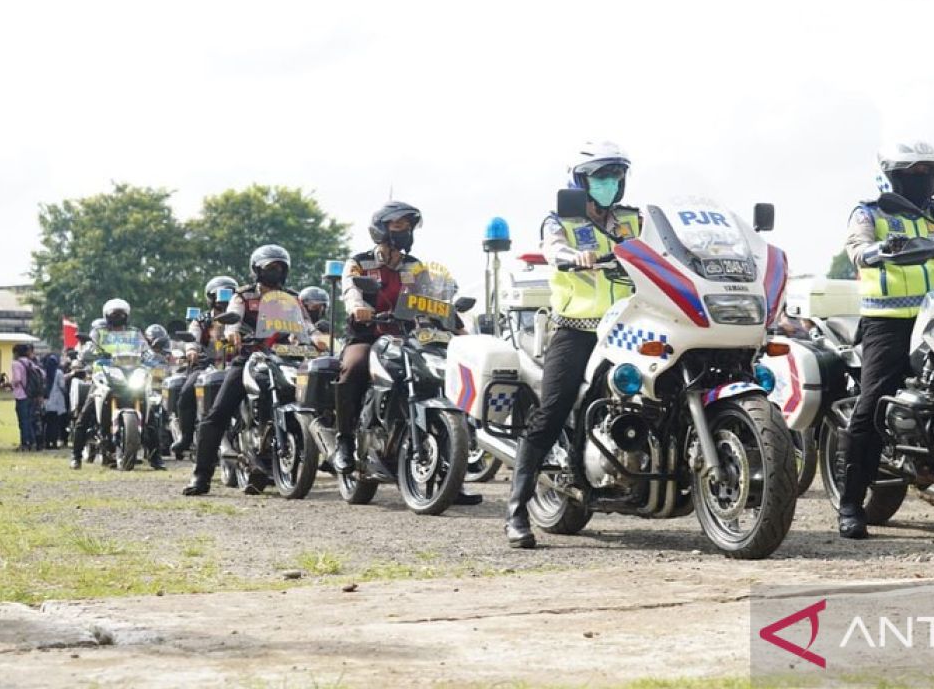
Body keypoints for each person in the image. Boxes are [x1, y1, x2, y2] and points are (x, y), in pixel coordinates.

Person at [838, 141, 934, 540]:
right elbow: (856, 248)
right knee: (872, 405)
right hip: (889, 321)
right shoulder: (869, 211)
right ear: (891, 175)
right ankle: (851, 503)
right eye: (912, 172)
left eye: (928, 171)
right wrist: (877, 250)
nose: (922, 179)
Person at [505, 141, 640, 548]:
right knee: (553, 409)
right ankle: (516, 510)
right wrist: (573, 257)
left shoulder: (634, 220)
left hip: (631, 326)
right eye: (601, 177)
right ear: (580, 181)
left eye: (615, 177)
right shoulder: (558, 221)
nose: (609, 184)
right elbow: (553, 249)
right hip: (578, 327)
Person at [336, 203, 480, 505]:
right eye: (399, 226)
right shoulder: (359, 262)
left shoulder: (416, 267)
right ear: (382, 229)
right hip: (368, 336)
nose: (406, 232)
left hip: (407, 340)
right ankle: (345, 442)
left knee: (437, 379)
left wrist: (459, 328)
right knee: (353, 368)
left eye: (409, 226)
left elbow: (432, 302)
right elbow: (350, 289)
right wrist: (357, 307)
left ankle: (449, 475)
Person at [183, 245, 315, 495]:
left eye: (280, 267)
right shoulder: (242, 297)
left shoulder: (291, 298)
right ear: (257, 270)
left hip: (284, 358)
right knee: (217, 414)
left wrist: (317, 337)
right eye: (270, 267)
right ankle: (200, 477)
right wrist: (233, 334)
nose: (276, 272)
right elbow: (233, 318)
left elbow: (306, 325)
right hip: (248, 359)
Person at [70, 299, 156, 468]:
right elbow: (88, 349)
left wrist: (153, 357)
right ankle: (76, 456)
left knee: (151, 414)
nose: (118, 317)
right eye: (114, 314)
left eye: (121, 314)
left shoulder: (134, 333)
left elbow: (146, 350)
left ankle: (155, 456)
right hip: (104, 376)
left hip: (130, 375)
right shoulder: (99, 332)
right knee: (84, 416)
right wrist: (83, 356)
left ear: (127, 316)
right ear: (107, 315)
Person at [172, 276, 237, 459]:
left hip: (237, 363)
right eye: (220, 295)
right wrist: (192, 350)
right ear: (211, 297)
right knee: (186, 391)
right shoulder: (202, 320)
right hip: (209, 365)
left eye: (229, 295)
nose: (224, 300)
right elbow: (193, 337)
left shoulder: (241, 316)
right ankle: (185, 437)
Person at [10, 344, 44, 451]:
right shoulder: (30, 362)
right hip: (31, 395)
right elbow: (42, 374)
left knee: (23, 421)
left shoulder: (16, 363)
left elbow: (17, 379)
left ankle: (25, 443)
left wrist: (10, 384)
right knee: (30, 420)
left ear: (16, 353)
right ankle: (32, 442)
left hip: (21, 395)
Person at [40, 353, 69, 449]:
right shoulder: (59, 373)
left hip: (47, 402)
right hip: (57, 403)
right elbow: (62, 386)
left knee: (47, 424)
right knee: (55, 424)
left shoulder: (44, 373)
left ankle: (47, 443)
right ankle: (54, 443)